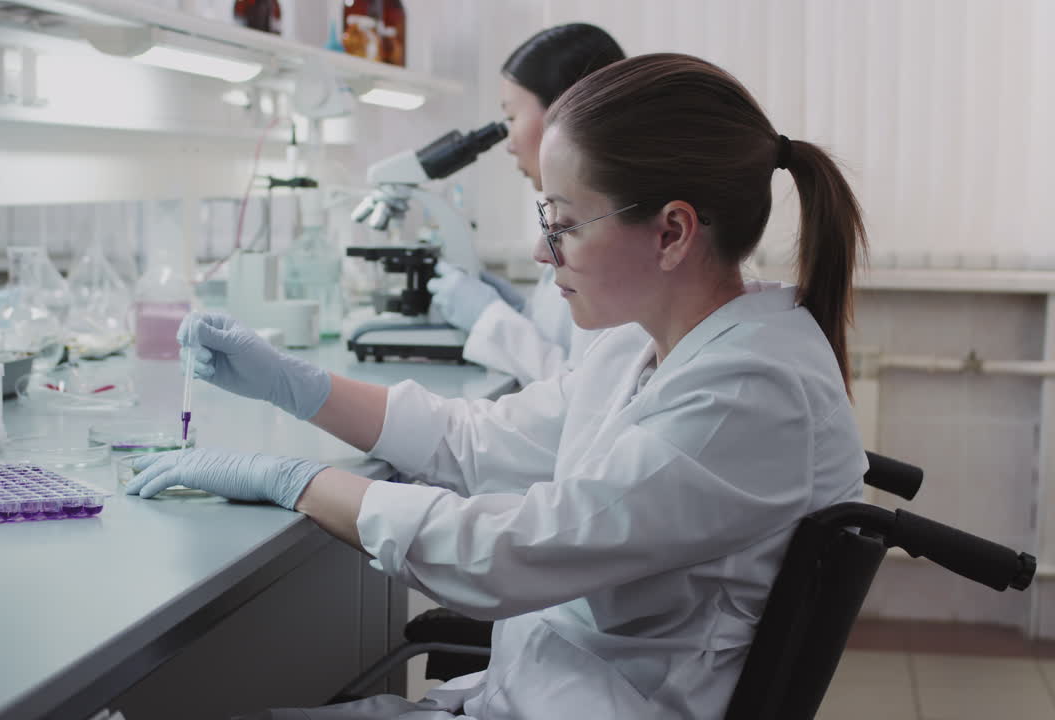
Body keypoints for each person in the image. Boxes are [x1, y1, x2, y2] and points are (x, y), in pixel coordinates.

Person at [128, 53, 869, 719]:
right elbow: (478, 440)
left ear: (672, 233)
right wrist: (297, 388)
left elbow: (505, 554)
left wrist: (294, 480)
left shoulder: (748, 395)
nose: (543, 252)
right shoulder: (647, 345)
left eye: (563, 223)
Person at [428, 23, 629, 385]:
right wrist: (521, 311)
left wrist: (490, 318)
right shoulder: (583, 217)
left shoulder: (618, 235)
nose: (508, 143)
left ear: (565, 114)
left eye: (511, 118)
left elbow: (584, 395)